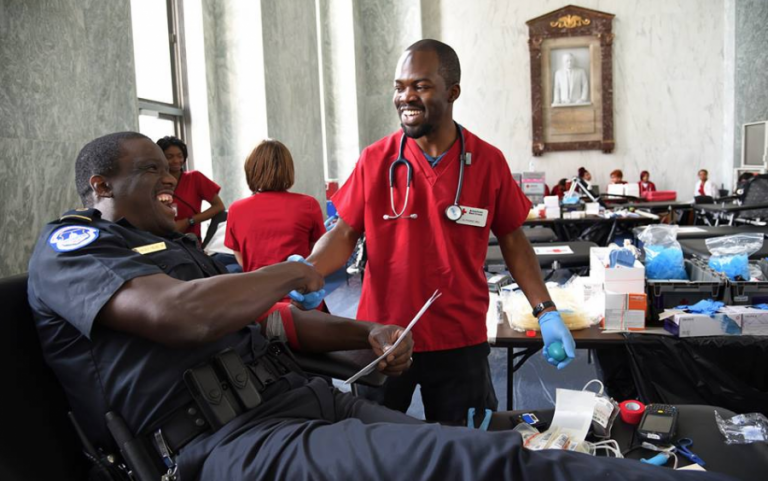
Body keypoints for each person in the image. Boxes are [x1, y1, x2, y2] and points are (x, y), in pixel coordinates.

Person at [26, 132, 725, 481]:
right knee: (470, 462)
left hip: (298, 398)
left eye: (172, 169)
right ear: (100, 184)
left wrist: (368, 329)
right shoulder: (74, 247)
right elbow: (180, 314)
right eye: (155, 169)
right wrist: (294, 267)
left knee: (492, 442)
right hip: (225, 442)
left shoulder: (178, 248)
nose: (174, 180)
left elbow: (282, 321)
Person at [303, 39, 576, 424]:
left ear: (452, 92)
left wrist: (546, 312)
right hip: (383, 338)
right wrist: (309, 270)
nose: (405, 97)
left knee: (466, 449)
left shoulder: (486, 161)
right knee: (373, 445)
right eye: (399, 87)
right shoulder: (376, 160)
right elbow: (345, 232)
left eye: (420, 85)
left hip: (459, 340)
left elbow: (514, 242)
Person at [225, 139, 325, 273]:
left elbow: (239, 252)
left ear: (251, 169)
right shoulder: (308, 204)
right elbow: (318, 249)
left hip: (256, 290)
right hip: (299, 289)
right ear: (288, 169)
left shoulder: (236, 209)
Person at [157, 135, 225, 239]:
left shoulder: (195, 178)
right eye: (169, 157)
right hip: (161, 241)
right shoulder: (153, 182)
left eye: (180, 156)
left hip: (190, 242)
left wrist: (189, 221)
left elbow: (219, 206)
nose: (176, 160)